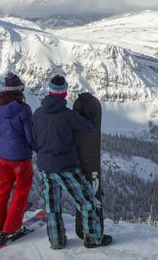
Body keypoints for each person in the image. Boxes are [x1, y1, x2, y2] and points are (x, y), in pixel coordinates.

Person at [32, 75, 112, 249]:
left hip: (45, 167)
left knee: (52, 206)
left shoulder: (37, 113)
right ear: (64, 93)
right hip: (65, 166)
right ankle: (93, 238)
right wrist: (89, 108)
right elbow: (89, 127)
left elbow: (34, 137)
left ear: (49, 91)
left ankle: (56, 240)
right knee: (87, 202)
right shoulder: (68, 116)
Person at [0, 72, 37, 244]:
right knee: (20, 192)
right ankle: (10, 229)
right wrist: (37, 149)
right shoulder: (24, 109)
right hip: (21, 158)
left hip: (3, 157)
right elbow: (30, 137)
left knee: (2, 191)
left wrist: (6, 143)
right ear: (20, 90)